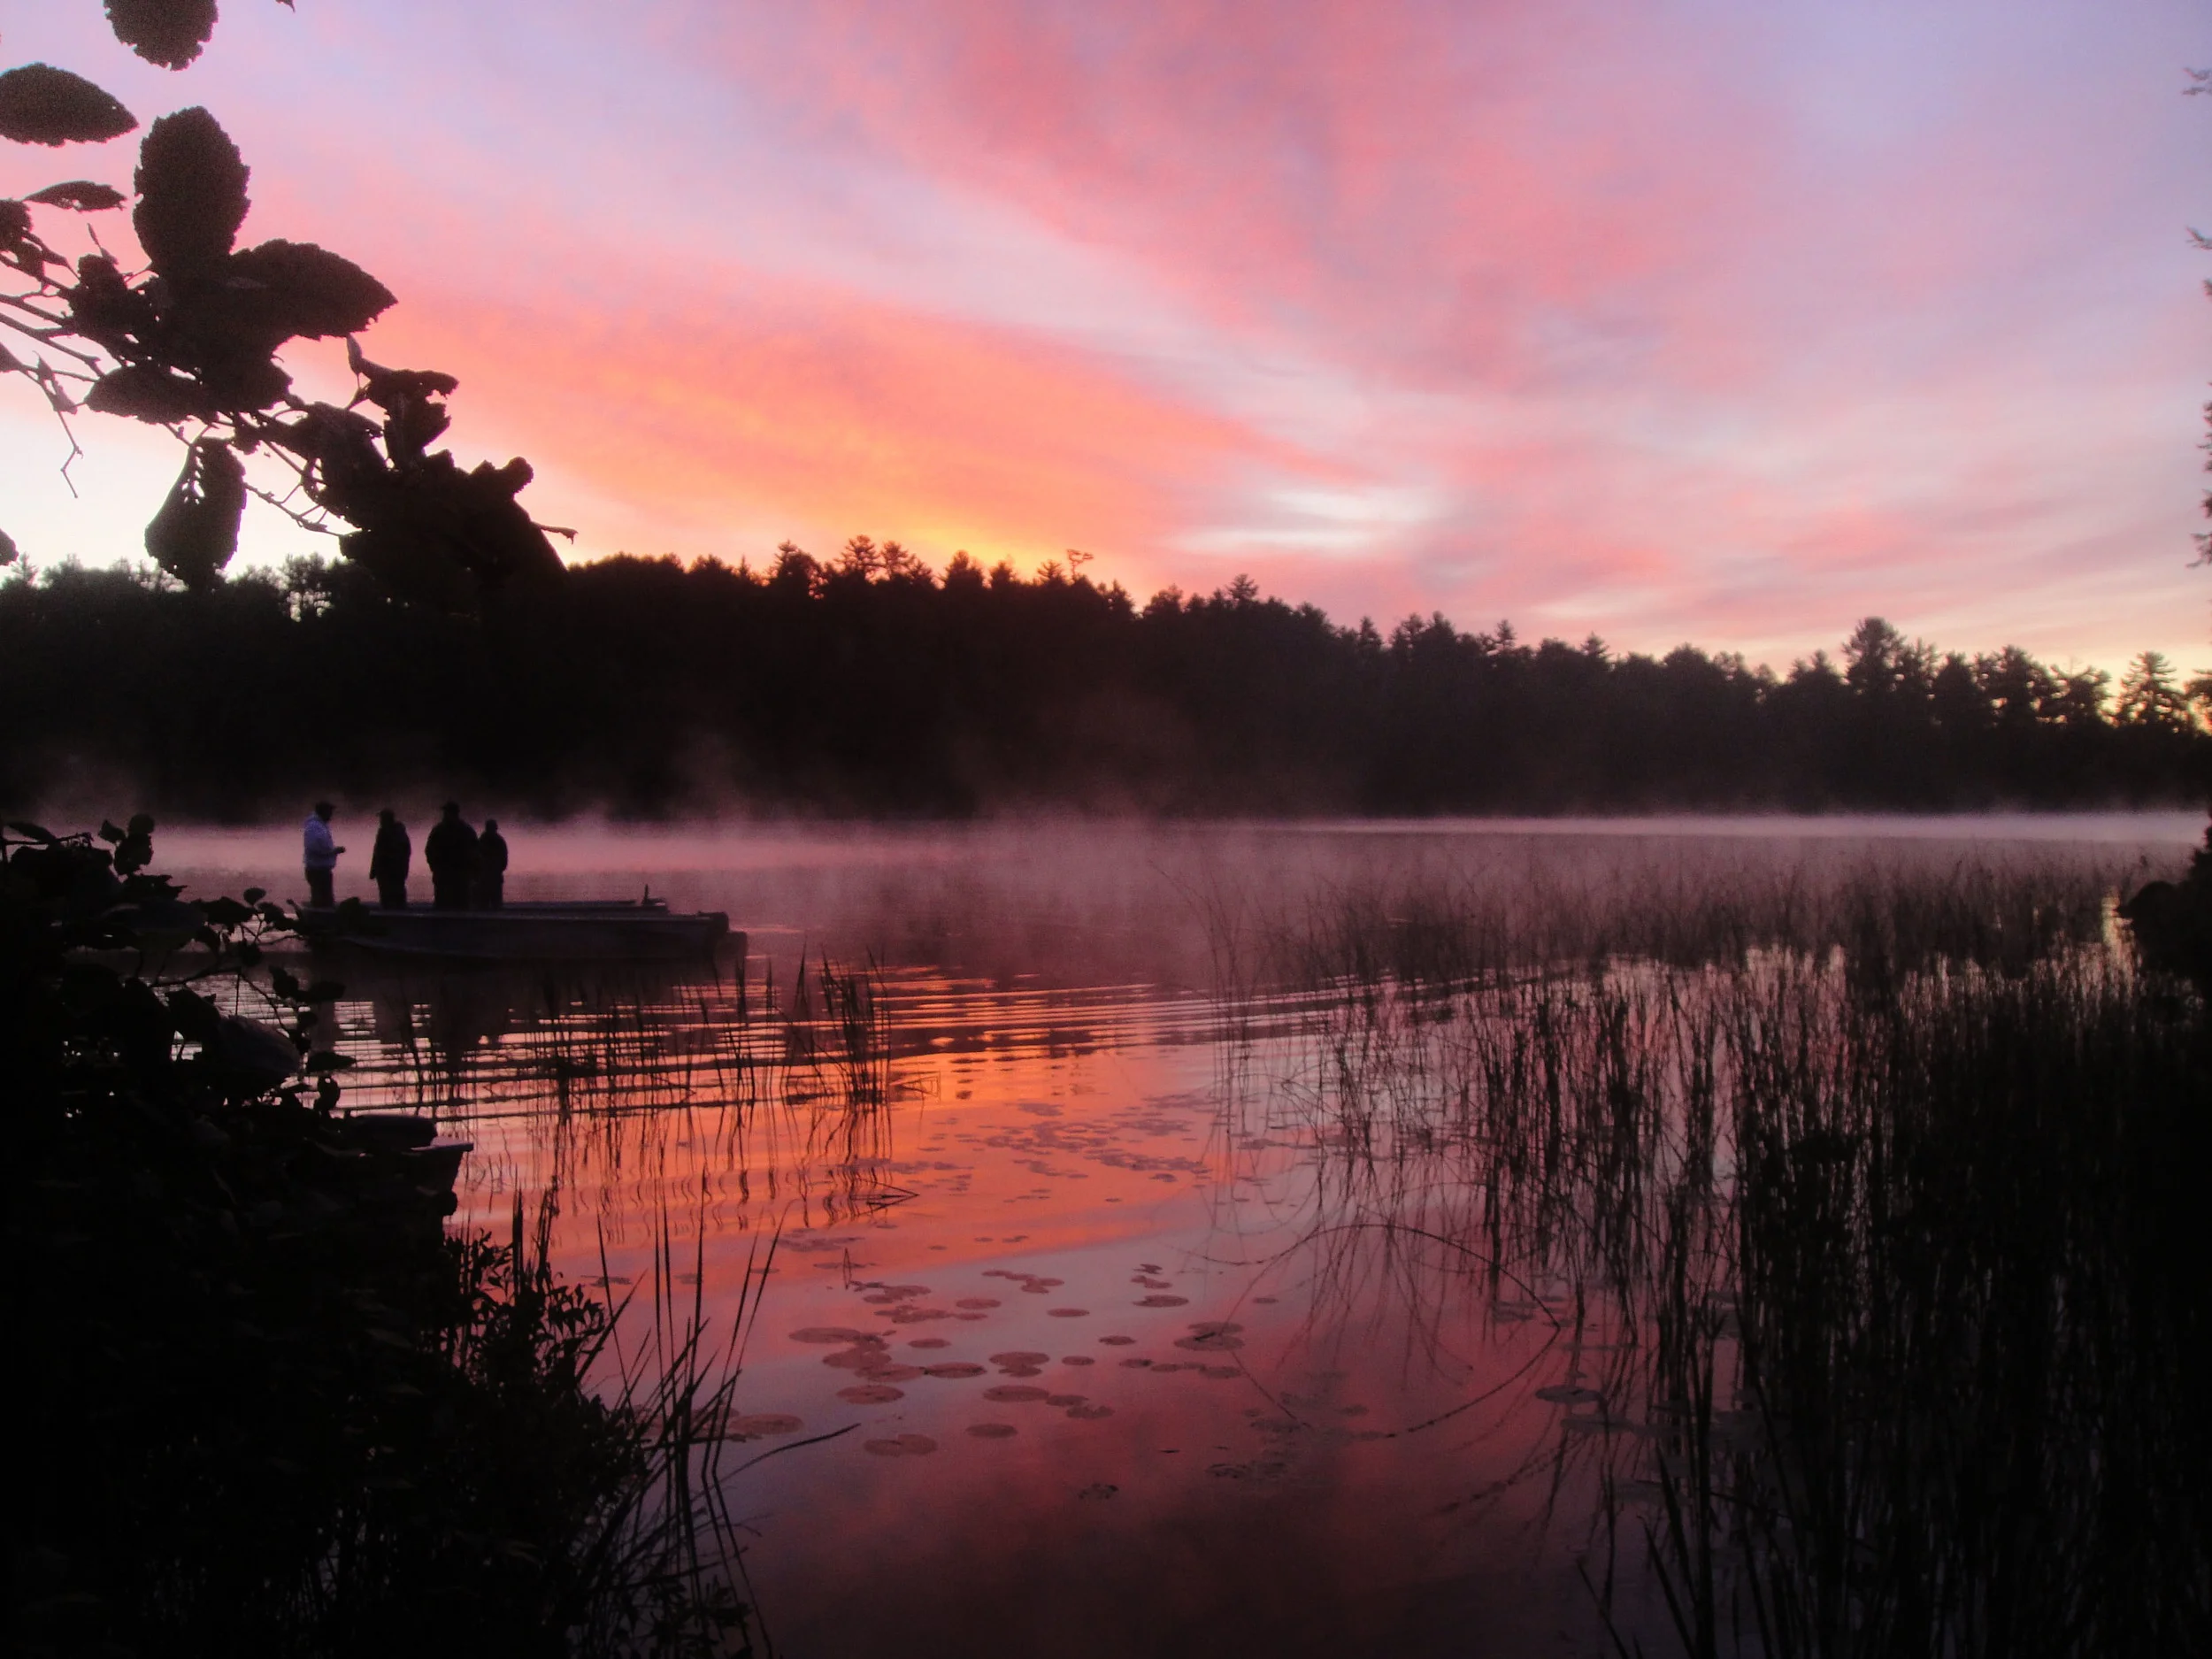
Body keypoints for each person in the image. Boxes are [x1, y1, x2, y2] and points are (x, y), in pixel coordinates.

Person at [424, 802, 479, 910]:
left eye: (446, 812)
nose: (444, 814)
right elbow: (429, 851)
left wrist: (473, 872)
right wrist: (435, 867)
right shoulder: (440, 830)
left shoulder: (464, 830)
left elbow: (476, 853)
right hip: (446, 875)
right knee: (444, 906)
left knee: (460, 905)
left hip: (459, 875)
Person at [301, 801, 343, 909]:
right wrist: (334, 851)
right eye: (329, 812)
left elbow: (320, 846)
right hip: (317, 871)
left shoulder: (320, 825)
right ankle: (320, 920)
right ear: (323, 812)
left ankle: (320, 917)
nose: (331, 815)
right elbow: (315, 847)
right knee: (323, 902)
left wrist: (332, 851)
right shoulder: (314, 826)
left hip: (321, 870)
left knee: (325, 900)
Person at [368, 808, 411, 909]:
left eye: (382, 818)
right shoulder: (382, 832)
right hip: (384, 872)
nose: (380, 821)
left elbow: (403, 852)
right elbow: (377, 853)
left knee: (396, 895)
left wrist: (397, 866)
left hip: (394, 871)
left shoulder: (398, 833)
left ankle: (398, 914)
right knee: (386, 897)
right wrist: (373, 870)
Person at [476, 817, 510, 909]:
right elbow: (504, 861)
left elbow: (504, 860)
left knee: (486, 904)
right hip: (489, 877)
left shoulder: (482, 840)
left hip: (489, 877)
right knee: (492, 904)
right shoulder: (497, 841)